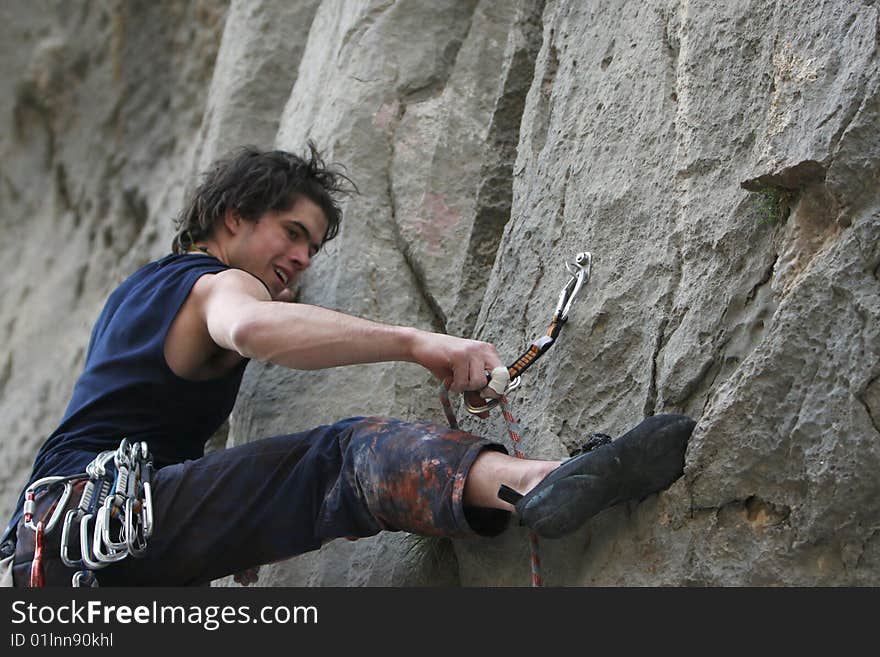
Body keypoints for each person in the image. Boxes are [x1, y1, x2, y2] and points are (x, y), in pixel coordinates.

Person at [0, 143, 695, 587]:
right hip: (91, 525)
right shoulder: (209, 282)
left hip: (69, 545)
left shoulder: (138, 295)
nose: (302, 259)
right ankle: (540, 480)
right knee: (343, 457)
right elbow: (249, 327)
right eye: (293, 233)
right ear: (233, 217)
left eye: (314, 248)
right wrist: (417, 341)